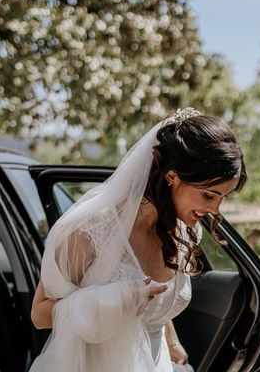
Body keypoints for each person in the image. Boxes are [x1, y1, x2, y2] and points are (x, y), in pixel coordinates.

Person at [29, 108, 247, 371]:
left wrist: (172, 340)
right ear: (172, 177)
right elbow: (39, 314)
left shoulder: (185, 231)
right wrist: (117, 300)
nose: (215, 210)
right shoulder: (90, 231)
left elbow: (151, 302)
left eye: (224, 197)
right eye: (209, 195)